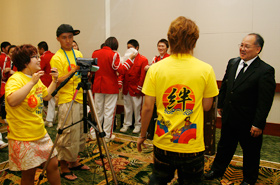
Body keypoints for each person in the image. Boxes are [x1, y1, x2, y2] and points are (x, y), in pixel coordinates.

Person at [137, 16, 219, 184]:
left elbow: (147, 108)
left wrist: (142, 135)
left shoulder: (155, 69)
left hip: (163, 141)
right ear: (194, 41)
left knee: (158, 179)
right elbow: (206, 106)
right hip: (192, 142)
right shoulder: (206, 70)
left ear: (170, 40)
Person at [204, 33, 276, 185]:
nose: (242, 49)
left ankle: (249, 180)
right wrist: (221, 105)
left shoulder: (265, 71)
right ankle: (217, 170)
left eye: (247, 46)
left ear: (258, 49)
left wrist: (258, 124)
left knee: (251, 152)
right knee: (224, 146)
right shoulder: (233, 63)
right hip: (229, 116)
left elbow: (265, 101)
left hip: (249, 121)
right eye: (241, 45)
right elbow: (225, 85)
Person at [5, 44, 60, 185]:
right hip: (23, 136)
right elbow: (11, 100)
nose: (39, 59)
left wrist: (55, 80)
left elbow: (46, 96)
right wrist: (31, 83)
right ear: (25, 62)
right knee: (29, 174)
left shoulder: (35, 78)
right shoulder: (16, 79)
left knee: (53, 164)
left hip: (40, 132)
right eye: (35, 57)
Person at [50, 24, 90, 181]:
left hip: (80, 96)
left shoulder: (78, 53)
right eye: (64, 37)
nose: (68, 40)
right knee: (66, 133)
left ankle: (73, 162)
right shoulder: (57, 57)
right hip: (67, 98)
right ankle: (63, 166)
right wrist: (73, 70)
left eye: (70, 37)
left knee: (79, 132)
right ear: (58, 39)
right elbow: (57, 81)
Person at [90, 37, 136, 142]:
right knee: (109, 112)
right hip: (110, 86)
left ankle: (93, 133)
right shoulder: (114, 55)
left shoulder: (95, 53)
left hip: (98, 86)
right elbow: (121, 70)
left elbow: (93, 69)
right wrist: (131, 59)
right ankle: (106, 136)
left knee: (97, 111)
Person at [119, 39, 148, 133]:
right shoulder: (126, 58)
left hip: (136, 88)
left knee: (137, 108)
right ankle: (126, 124)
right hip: (127, 87)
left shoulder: (143, 59)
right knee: (127, 107)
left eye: (131, 48)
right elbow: (122, 71)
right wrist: (120, 83)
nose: (129, 50)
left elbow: (142, 76)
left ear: (137, 48)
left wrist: (139, 89)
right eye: (127, 48)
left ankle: (138, 125)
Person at [38, 41, 55, 127]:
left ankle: (48, 119)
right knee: (52, 101)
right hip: (54, 80)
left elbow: (39, 69)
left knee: (42, 101)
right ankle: (50, 119)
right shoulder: (54, 55)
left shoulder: (43, 57)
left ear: (41, 49)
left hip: (45, 82)